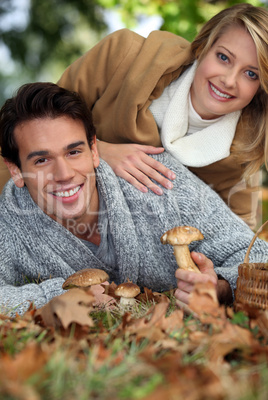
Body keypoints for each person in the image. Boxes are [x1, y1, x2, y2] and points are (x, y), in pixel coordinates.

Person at [0, 82, 268, 316]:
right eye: (42, 160)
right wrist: (62, 297)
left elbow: (259, 257)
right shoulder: (11, 224)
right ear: (16, 170)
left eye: (73, 152)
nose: (64, 174)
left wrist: (220, 286)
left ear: (94, 150)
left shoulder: (160, 179)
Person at [52, 2, 268, 230]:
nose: (229, 80)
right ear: (203, 47)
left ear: (261, 89)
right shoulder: (122, 56)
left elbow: (242, 243)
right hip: (47, 219)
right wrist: (98, 152)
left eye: (251, 74)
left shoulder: (244, 154)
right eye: (223, 58)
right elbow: (36, 123)